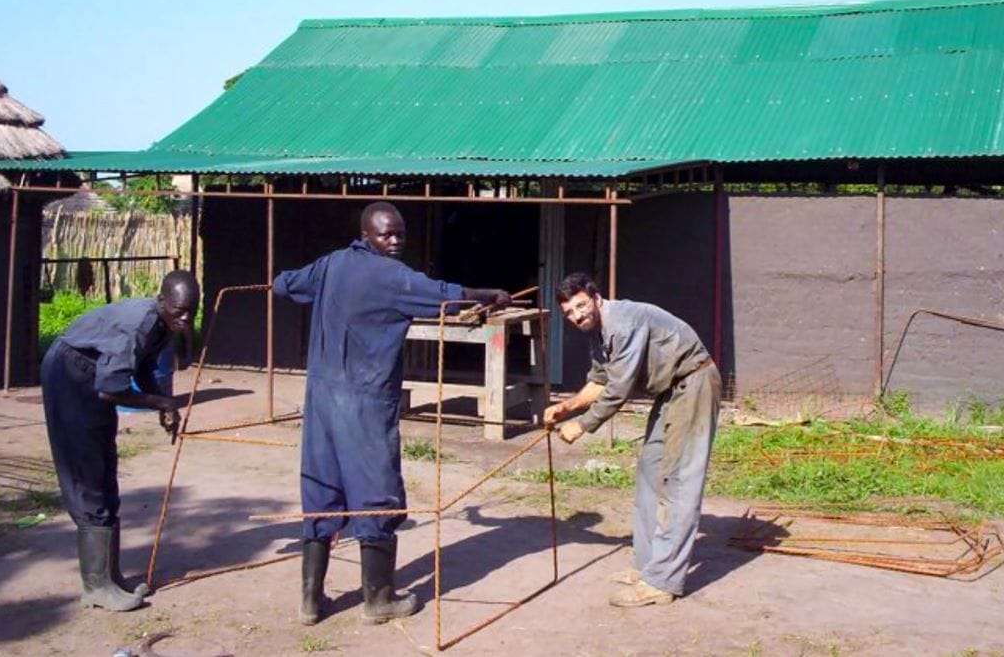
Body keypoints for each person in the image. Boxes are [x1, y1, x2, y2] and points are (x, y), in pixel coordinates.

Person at [273, 201, 512, 626]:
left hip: (321, 399)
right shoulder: (392, 277)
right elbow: (445, 296)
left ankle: (310, 602)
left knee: (322, 488)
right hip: (364, 403)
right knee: (375, 493)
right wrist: (489, 295)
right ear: (367, 234)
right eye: (387, 235)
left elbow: (283, 285)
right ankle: (378, 601)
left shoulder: (330, 265)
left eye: (400, 233)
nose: (396, 241)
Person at [544, 272, 721, 608]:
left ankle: (663, 581)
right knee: (650, 472)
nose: (577, 315)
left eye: (581, 306)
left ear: (595, 299)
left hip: (694, 381)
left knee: (678, 481)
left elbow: (619, 388)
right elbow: (600, 380)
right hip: (670, 391)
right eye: (569, 313)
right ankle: (648, 565)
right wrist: (564, 408)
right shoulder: (597, 332)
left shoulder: (622, 322)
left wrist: (582, 426)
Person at [41, 270, 199, 611]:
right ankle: (96, 586)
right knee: (88, 474)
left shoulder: (162, 325)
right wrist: (162, 402)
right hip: (70, 374)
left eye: (192, 311)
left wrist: (162, 403)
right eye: (179, 311)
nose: (186, 318)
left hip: (92, 375)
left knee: (104, 466)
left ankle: (111, 576)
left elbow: (140, 370)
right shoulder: (139, 324)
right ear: (161, 302)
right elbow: (111, 389)